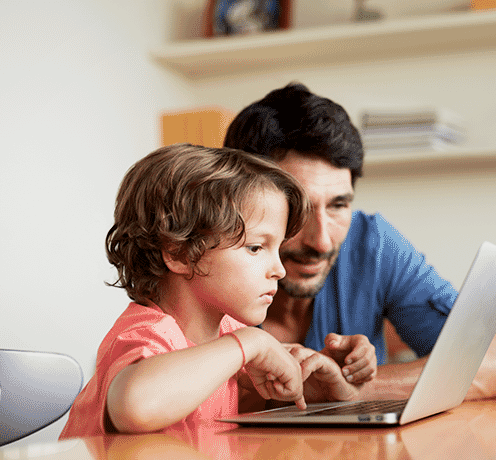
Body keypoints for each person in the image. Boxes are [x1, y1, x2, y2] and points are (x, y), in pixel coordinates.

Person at [224, 83, 496, 400]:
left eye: (338, 205)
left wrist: (345, 388)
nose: (322, 241)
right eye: (296, 209)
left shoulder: (371, 245)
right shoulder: (204, 261)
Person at [60, 144, 376, 438]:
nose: (278, 270)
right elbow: (136, 407)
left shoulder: (226, 333)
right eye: (256, 247)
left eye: (277, 248)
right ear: (180, 253)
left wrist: (319, 389)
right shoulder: (146, 333)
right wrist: (249, 342)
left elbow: (255, 404)